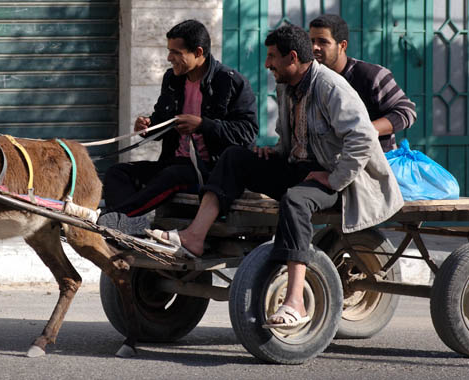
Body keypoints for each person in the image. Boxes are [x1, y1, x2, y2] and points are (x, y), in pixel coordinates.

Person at [146, 25, 403, 329]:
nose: (266, 64)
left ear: (292, 57)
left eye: (271, 57)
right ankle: (194, 237)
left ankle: (295, 301)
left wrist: (334, 178)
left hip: (342, 182)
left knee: (296, 200)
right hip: (300, 168)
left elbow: (363, 139)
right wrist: (276, 152)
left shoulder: (331, 87)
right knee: (235, 157)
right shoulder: (287, 86)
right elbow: (296, 136)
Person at [98, 19, 258, 235]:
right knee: (117, 173)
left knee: (174, 175)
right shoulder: (172, 79)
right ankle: (130, 224)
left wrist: (202, 125)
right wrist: (148, 126)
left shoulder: (231, 82)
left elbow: (247, 133)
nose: (169, 58)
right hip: (173, 163)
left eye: (175, 52)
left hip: (210, 173)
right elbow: (160, 124)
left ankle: (116, 219)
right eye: (168, 51)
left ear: (198, 52)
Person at [309, 14, 417, 152]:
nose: (315, 47)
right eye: (312, 41)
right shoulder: (312, 78)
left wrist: (362, 131)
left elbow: (406, 112)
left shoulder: (371, 75)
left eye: (323, 42)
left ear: (342, 45)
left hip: (375, 165)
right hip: (329, 165)